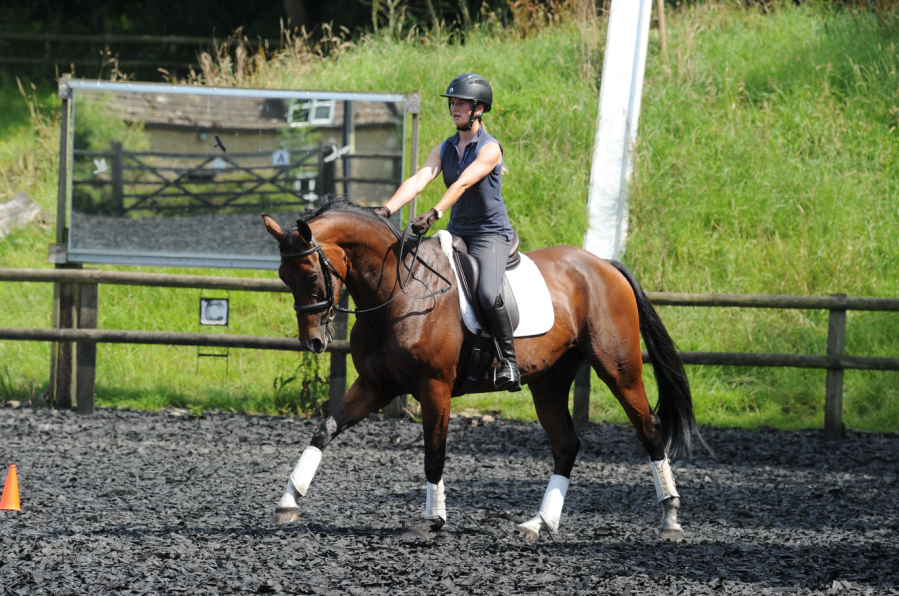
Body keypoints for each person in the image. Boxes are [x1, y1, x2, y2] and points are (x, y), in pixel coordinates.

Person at [373, 73, 520, 392]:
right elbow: (419, 179)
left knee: (486, 293)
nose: (455, 107)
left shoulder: (490, 148)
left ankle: (508, 361)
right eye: (452, 102)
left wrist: (436, 211)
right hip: (457, 232)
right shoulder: (446, 146)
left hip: (489, 234)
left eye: (462, 103)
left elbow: (463, 182)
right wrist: (386, 209)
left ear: (478, 109)